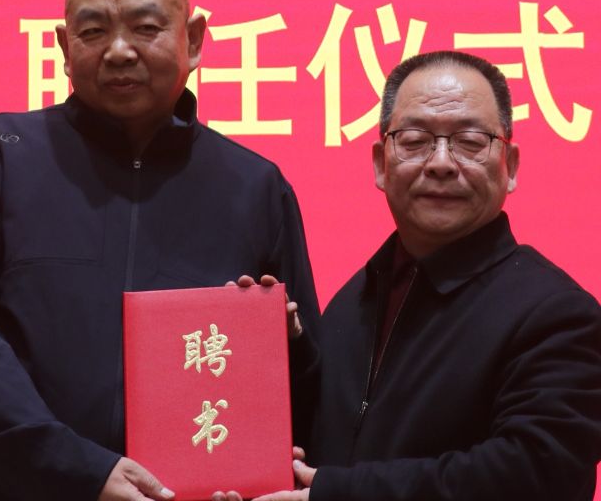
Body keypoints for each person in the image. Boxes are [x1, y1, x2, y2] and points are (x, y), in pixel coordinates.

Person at [0, 0, 320, 501]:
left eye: (146, 27)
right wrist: (77, 468)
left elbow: (309, 387)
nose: (119, 51)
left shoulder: (254, 186)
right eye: (93, 31)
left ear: (194, 40)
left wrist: (286, 347)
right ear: (64, 47)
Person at [255, 51, 601, 501]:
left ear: (511, 166)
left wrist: (337, 493)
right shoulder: (354, 300)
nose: (440, 162)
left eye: (470, 141)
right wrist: (280, 354)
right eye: (415, 140)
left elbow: (536, 472)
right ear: (380, 164)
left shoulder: (558, 315)